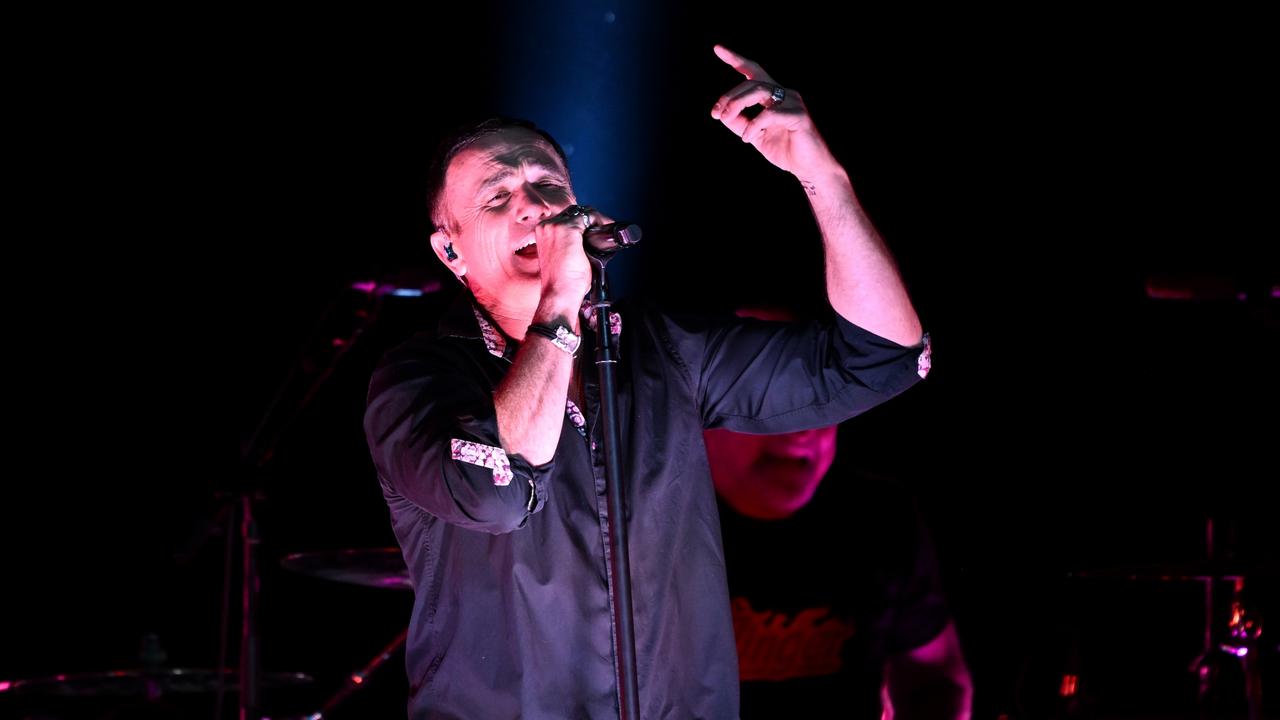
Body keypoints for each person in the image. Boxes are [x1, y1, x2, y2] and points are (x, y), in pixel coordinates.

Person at [364, 44, 932, 718]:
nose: (530, 205)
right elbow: (497, 495)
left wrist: (822, 175)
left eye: (548, 186)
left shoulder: (663, 350)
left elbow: (880, 358)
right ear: (450, 250)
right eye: (497, 196)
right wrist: (558, 302)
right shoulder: (417, 379)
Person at [703, 308, 972, 717]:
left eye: (819, 393)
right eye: (773, 393)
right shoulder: (640, 522)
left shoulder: (879, 517)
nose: (803, 427)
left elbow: (936, 677)